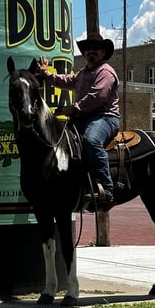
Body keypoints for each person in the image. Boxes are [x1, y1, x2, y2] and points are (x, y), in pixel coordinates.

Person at [37, 33, 120, 210]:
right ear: (83, 53)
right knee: (62, 141)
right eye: (88, 49)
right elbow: (66, 80)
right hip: (84, 118)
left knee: (91, 141)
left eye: (95, 49)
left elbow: (98, 96)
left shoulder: (106, 72)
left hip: (105, 117)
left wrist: (73, 108)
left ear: (103, 52)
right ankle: (79, 185)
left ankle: (108, 188)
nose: (91, 52)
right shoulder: (84, 73)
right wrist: (45, 72)